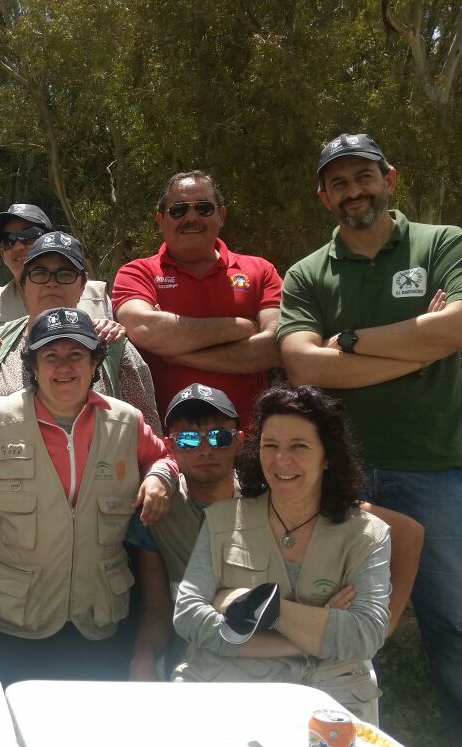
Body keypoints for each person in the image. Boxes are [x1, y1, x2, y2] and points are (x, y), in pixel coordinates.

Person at [278, 132, 462, 732]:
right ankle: (337, 730)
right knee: (333, 614)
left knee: (453, 621)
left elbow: (459, 327)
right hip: (341, 477)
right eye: (339, 182)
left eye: (364, 177)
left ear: (389, 179)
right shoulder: (307, 273)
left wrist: (353, 341)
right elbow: (302, 365)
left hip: (434, 467)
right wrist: (422, 346)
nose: (353, 191)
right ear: (324, 196)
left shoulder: (443, 244)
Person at [0, 307, 175, 684]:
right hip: (5, 619)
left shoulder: (127, 422)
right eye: (50, 355)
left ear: (94, 363)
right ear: (33, 367)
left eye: (76, 354)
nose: (63, 366)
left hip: (96, 618)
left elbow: (163, 457)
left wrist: (159, 478)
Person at [128, 383, 423, 682]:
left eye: (219, 437)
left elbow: (401, 534)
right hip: (219, 670)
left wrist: (257, 605)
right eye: (188, 439)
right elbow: (181, 614)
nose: (205, 449)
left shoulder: (292, 492)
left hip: (322, 680)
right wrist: (318, 635)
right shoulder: (168, 510)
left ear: (239, 441)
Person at [172, 385, 392, 722]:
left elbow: (364, 635)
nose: (281, 460)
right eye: (270, 445)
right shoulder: (221, 520)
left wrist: (260, 605)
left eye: (299, 446)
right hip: (231, 689)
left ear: (328, 456)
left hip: (332, 699)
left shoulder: (367, 534)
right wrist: (311, 635)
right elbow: (189, 616)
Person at [0, 231, 158, 430]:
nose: (52, 283)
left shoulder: (114, 347)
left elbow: (148, 433)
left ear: (82, 285)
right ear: (24, 285)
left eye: (65, 274)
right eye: (40, 273)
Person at [112, 170, 283, 424]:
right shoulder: (137, 273)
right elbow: (144, 329)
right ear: (160, 219)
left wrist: (180, 354)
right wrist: (241, 327)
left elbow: (274, 347)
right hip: (165, 441)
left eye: (203, 208)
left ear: (221, 215)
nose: (191, 218)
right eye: (178, 210)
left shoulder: (261, 270)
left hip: (247, 438)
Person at [0, 203, 113, 357]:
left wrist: (116, 334)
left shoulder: (98, 295)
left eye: (29, 235)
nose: (18, 246)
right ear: (2, 255)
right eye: (8, 240)